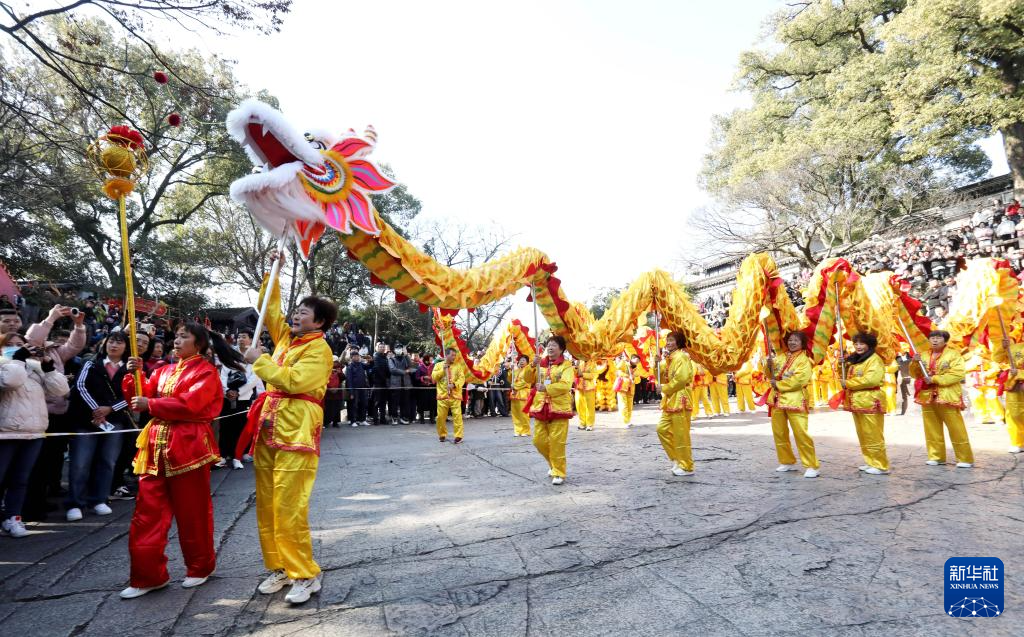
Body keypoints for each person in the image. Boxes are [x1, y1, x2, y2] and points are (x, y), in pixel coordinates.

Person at [117, 323, 244, 599]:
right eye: (176, 336)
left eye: (184, 337)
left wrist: (150, 405)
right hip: (154, 448)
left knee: (193, 513)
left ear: (198, 344)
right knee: (146, 515)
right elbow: (139, 397)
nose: (177, 341)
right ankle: (147, 576)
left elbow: (192, 405)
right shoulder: (162, 371)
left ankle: (200, 567)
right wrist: (133, 376)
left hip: (188, 447)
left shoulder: (207, 373)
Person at [0, 333, 70, 537]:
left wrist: (48, 367)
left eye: (20, 345)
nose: (15, 348)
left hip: (34, 432)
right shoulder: (6, 366)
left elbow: (61, 390)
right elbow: (11, 381)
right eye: (9, 345)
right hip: (5, 433)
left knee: (20, 479)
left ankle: (13, 518)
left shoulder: (34, 368)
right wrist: (18, 359)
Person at [66, 331, 132, 521]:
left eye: (119, 342)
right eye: (111, 341)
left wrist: (110, 409)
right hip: (86, 421)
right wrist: (97, 409)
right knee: (80, 463)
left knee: (107, 462)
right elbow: (80, 386)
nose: (114, 345)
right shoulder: (90, 363)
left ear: (126, 347)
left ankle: (99, 499)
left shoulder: (129, 370)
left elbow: (130, 394)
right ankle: (75, 503)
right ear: (104, 344)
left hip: (115, 421)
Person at [909, 330, 974, 467]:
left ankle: (964, 458)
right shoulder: (923, 355)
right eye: (932, 337)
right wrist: (914, 363)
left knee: (956, 428)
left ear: (945, 340)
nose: (934, 340)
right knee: (931, 428)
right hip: (928, 396)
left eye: (938, 338)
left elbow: (958, 374)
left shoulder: (953, 354)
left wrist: (934, 379)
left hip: (947, 395)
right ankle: (936, 456)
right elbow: (915, 374)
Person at [767, 331, 820, 478]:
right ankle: (786, 461)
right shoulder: (781, 357)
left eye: (796, 340)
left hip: (795, 400)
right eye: (790, 340)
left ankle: (811, 465)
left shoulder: (805, 360)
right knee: (779, 433)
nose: (792, 342)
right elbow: (770, 375)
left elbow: (800, 380)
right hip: (777, 400)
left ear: (802, 343)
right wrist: (768, 365)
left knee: (801, 433)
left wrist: (778, 384)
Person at [525, 336, 575, 485]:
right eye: (548, 345)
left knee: (556, 442)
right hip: (541, 406)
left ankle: (559, 472)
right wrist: (532, 366)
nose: (550, 347)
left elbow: (566, 385)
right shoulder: (540, 363)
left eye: (554, 345)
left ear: (561, 349)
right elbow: (528, 379)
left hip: (559, 408)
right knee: (538, 441)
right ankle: (553, 465)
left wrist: (547, 387)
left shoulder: (567, 366)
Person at [840, 333, 889, 475]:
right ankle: (871, 461)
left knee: (873, 434)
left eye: (861, 344)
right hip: (857, 401)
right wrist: (841, 365)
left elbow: (871, 380)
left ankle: (880, 464)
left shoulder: (874, 359)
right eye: (856, 344)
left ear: (869, 344)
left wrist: (848, 383)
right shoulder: (856, 360)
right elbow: (845, 377)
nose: (858, 346)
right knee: (863, 434)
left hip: (870, 400)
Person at [655, 331, 695, 477]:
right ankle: (677, 459)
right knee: (662, 429)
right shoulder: (669, 358)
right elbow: (661, 377)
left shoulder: (682, 356)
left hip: (681, 398)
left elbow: (682, 379)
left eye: (671, 340)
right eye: (667, 340)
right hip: (670, 399)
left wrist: (664, 388)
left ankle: (687, 466)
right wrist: (656, 364)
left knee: (681, 434)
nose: (668, 342)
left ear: (678, 342)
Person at [432, 348, 466, 443]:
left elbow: (462, 379)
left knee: (457, 416)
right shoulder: (438, 365)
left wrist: (454, 385)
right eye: (452, 355)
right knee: (440, 417)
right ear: (446, 355)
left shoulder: (458, 366)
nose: (454, 357)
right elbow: (434, 377)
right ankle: (442, 434)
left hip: (455, 396)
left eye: (455, 355)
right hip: (442, 396)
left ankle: (459, 435)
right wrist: (443, 370)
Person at [388, 344, 414, 424]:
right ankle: (394, 417)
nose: (399, 349)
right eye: (397, 348)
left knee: (405, 401)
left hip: (405, 384)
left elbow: (410, 365)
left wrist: (406, 355)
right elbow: (392, 370)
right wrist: (404, 372)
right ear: (394, 350)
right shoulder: (391, 359)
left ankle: (403, 417)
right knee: (395, 402)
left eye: (400, 348)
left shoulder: (405, 358)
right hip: (395, 384)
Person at [345, 350, 370, 426]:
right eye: (355, 356)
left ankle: (362, 420)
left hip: (363, 388)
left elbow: (369, 366)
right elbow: (349, 380)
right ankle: (353, 421)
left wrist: (370, 360)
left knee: (364, 403)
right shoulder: (349, 367)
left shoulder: (361, 364)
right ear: (351, 357)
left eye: (357, 356)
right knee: (354, 405)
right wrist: (351, 392)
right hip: (354, 389)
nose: (357, 357)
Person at [509, 354, 532, 437]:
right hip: (515, 394)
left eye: (523, 360)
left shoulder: (528, 370)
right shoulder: (516, 370)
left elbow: (525, 382)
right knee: (515, 413)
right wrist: (510, 370)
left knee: (523, 414)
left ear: (527, 362)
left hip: (523, 394)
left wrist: (515, 386)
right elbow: (510, 379)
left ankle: (526, 430)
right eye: (520, 360)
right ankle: (518, 430)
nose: (521, 361)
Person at [370, 342, 390, 424]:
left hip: (384, 382)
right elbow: (378, 369)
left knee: (383, 401)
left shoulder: (385, 357)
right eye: (380, 347)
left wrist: (388, 376)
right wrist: (384, 378)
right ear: (377, 348)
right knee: (377, 401)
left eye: (383, 347)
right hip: (378, 382)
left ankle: (382, 419)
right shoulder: (376, 356)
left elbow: (387, 368)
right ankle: (375, 419)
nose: (382, 348)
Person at [574, 358, 597, 431]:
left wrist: (583, 375)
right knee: (579, 405)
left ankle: (590, 424)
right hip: (579, 386)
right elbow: (575, 374)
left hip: (589, 387)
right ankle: (582, 423)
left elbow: (594, 375)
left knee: (589, 406)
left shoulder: (593, 363)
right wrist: (576, 366)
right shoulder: (579, 362)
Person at [614, 354, 635, 426]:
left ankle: (628, 420)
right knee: (623, 404)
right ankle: (625, 421)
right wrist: (628, 376)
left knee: (629, 405)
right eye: (636, 360)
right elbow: (618, 369)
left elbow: (637, 377)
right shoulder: (622, 363)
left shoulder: (633, 366)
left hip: (630, 387)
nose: (637, 362)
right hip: (622, 386)